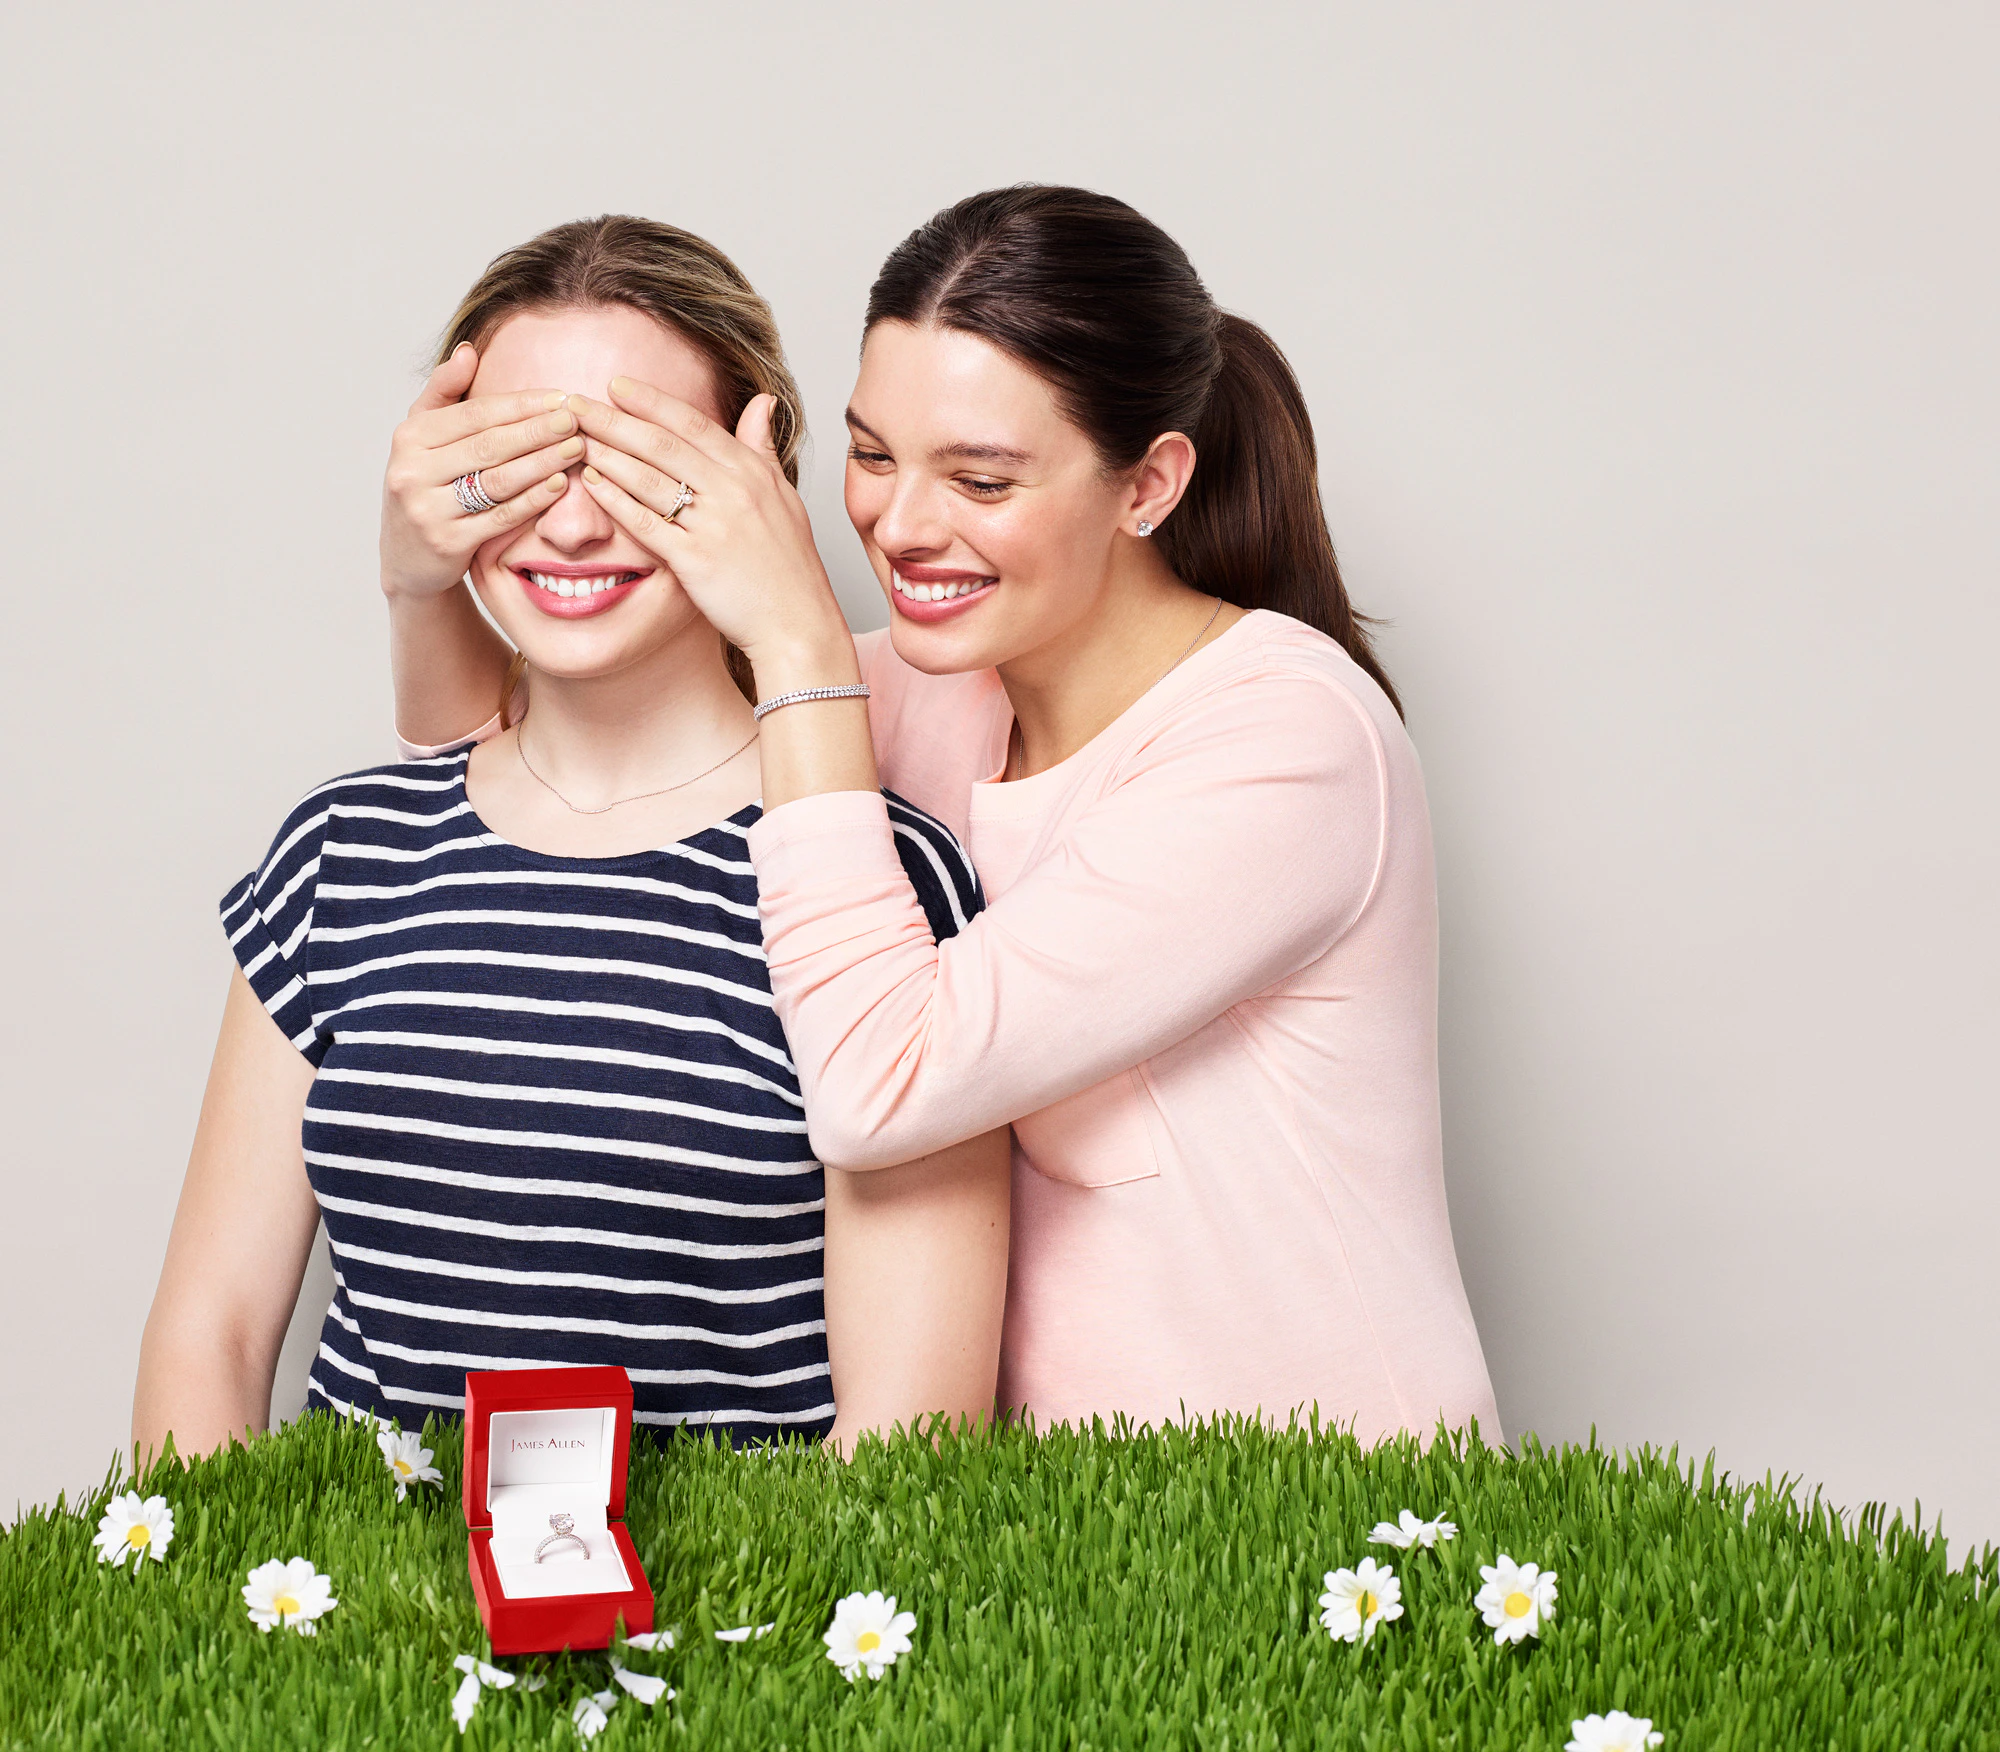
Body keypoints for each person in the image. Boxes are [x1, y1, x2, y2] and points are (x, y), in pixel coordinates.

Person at [390, 187, 1500, 1447]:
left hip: (1320, 1519)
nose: (898, 527)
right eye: (870, 456)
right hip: (1032, 1536)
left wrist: (795, 626)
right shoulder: (907, 692)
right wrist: (417, 577)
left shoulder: (1287, 740)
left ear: (1148, 484)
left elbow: (880, 1083)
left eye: (978, 478)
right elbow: (511, 785)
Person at [133, 216, 1009, 1463]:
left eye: (635, 462)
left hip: (723, 1635)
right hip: (346, 1631)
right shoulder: (339, 854)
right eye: (517, 459)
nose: (572, 526)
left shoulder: (878, 881)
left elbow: (906, 1430)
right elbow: (209, 1334)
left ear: (756, 480)